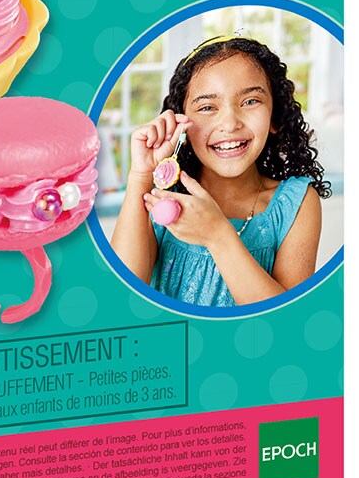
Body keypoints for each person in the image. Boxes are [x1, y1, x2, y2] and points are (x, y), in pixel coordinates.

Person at [111, 35, 329, 307]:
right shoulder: (161, 196)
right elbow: (119, 297)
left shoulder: (296, 203)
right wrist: (141, 177)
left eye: (250, 101)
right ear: (182, 125)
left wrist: (217, 235)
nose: (229, 123)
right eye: (207, 107)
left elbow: (285, 319)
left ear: (275, 117)